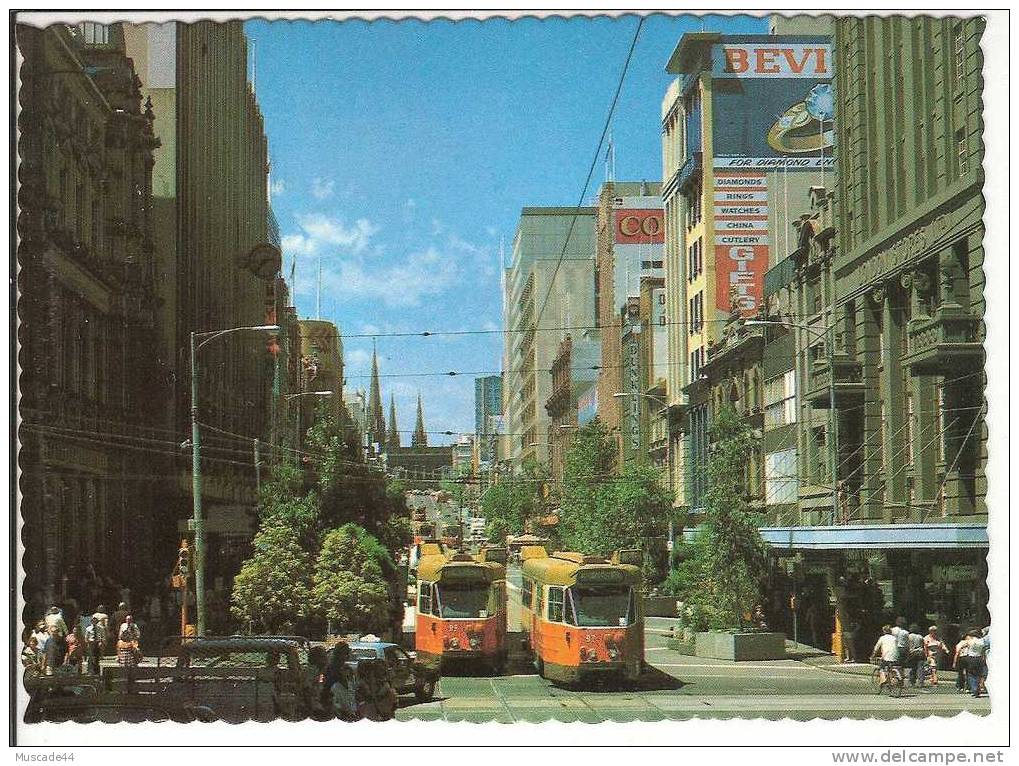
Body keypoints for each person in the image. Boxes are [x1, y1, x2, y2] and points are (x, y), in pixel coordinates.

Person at [326, 643, 358, 722]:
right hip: (337, 704)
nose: (347, 655)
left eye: (347, 653)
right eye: (345, 653)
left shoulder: (346, 668)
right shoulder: (332, 669)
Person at [870, 624, 900, 689]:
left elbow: (876, 648)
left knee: (881, 667)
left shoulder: (882, 638)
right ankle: (893, 679)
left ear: (884, 631)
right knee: (890, 667)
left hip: (886, 656)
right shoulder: (894, 638)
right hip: (895, 656)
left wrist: (873, 655)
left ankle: (883, 679)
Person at [43, 606, 68, 675]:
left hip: (50, 634)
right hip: (57, 634)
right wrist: (66, 634)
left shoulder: (47, 617)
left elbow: (46, 626)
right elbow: (64, 627)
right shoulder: (59, 617)